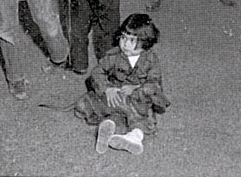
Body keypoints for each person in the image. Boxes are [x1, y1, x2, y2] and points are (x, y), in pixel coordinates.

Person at [73, 14, 170, 155]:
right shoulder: (114, 56)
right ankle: (109, 127)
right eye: (123, 37)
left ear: (146, 42)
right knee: (106, 109)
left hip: (137, 99)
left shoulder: (151, 60)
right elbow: (97, 72)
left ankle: (134, 137)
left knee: (140, 116)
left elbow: (155, 83)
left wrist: (137, 88)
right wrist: (107, 89)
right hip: (117, 95)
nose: (124, 43)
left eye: (131, 40)